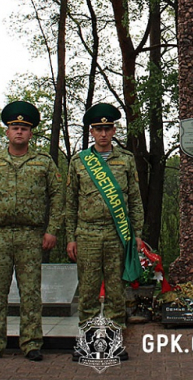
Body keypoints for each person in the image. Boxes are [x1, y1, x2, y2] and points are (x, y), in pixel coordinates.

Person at [0, 101, 63, 362]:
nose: (19, 132)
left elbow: (58, 198)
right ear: (7, 133)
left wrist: (51, 230)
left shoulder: (43, 163)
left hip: (31, 236)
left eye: (24, 128)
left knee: (30, 291)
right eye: (14, 128)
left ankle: (31, 343)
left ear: (31, 134)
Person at [66, 103, 144, 362]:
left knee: (115, 291)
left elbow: (134, 199)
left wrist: (137, 234)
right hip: (86, 233)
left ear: (113, 130)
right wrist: (70, 237)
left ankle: (112, 344)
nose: (103, 133)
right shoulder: (78, 162)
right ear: (91, 132)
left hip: (116, 234)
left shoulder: (126, 160)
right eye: (98, 129)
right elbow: (70, 202)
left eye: (107, 128)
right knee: (87, 292)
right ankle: (87, 344)